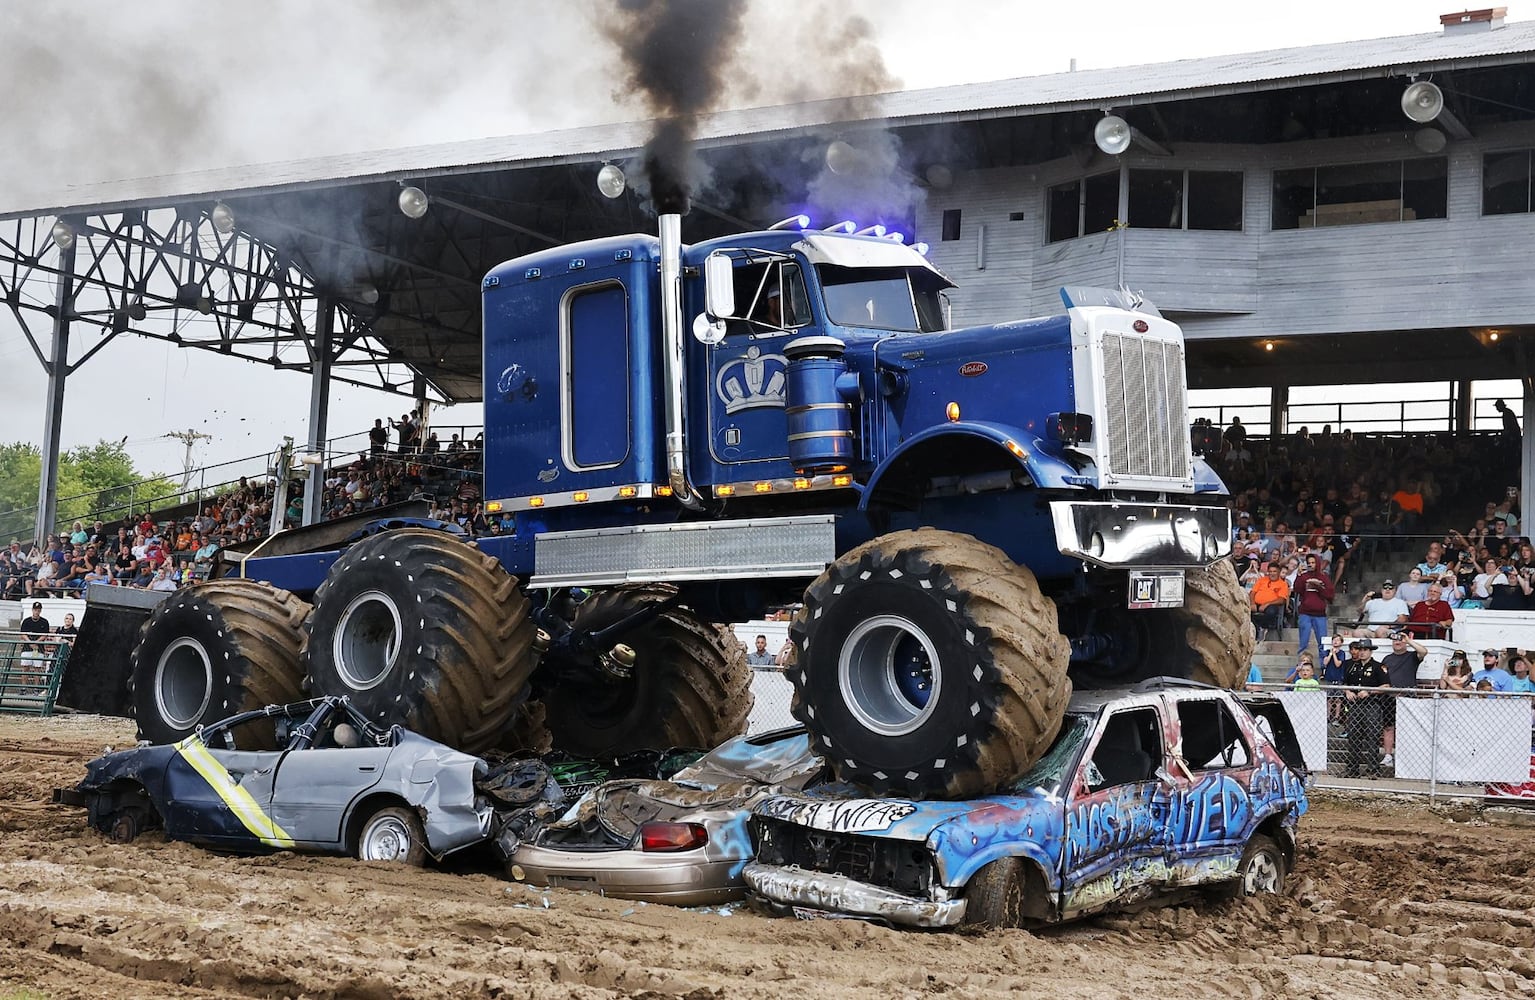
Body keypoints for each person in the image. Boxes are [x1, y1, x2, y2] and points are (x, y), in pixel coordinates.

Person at [1342, 638, 1389, 778]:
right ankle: (1352, 769)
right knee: (1353, 736)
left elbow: (1386, 686)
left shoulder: (1378, 667)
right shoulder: (1352, 666)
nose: (1362, 652)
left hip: (1372, 705)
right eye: (1360, 649)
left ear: (1370, 651)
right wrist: (1347, 691)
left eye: (1365, 650)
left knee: (1372, 736)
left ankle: (1373, 770)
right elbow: (1344, 683)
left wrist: (1369, 691)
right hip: (1355, 705)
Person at [1378, 630, 1426, 769]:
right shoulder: (1387, 659)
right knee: (1388, 727)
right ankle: (1388, 756)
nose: (1397, 642)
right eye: (1395, 640)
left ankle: (1407, 758)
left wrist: (1408, 641)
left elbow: (1424, 652)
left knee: (1407, 728)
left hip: (1407, 698)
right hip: (1389, 698)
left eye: (1400, 639)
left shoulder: (1412, 656)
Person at [1293, 553, 1334, 663]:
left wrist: (1318, 587)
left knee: (1322, 643)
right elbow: (1297, 589)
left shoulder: (1324, 578)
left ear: (1318, 563)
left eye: (1313, 562)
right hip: (1305, 613)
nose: (1311, 564)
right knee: (1303, 642)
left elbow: (1330, 595)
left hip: (1320, 614)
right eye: (1309, 563)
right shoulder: (1304, 576)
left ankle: (1323, 666)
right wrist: (1299, 575)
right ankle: (1301, 665)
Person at [1250, 562, 1289, 641]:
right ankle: (1256, 628)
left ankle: (1263, 628)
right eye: (1270, 571)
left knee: (1271, 612)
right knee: (1246, 611)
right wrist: (1252, 603)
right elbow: (1252, 593)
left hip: (1271, 605)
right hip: (1257, 604)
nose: (1272, 573)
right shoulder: (1262, 580)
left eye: (1274, 571)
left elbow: (1281, 600)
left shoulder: (1283, 584)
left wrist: (1267, 604)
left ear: (1279, 572)